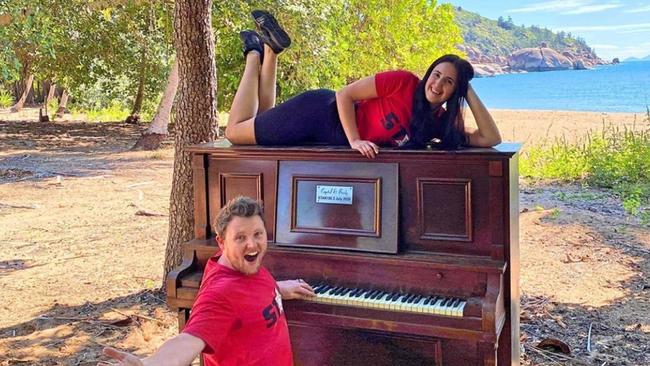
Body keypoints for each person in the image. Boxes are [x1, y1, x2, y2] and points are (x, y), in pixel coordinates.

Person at [225, 10, 502, 159]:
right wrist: (355, 140)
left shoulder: (438, 122)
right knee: (236, 132)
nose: (437, 83)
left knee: (260, 120)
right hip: (321, 113)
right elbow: (344, 94)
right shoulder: (404, 82)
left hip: (323, 135)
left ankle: (271, 51)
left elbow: (491, 139)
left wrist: (469, 89)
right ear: (429, 72)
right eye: (437, 74)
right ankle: (253, 54)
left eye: (449, 82)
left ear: (455, 92)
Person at [98, 196, 315, 366]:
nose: (252, 245)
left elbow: (250, 297)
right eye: (240, 238)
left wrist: (277, 289)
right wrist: (153, 363)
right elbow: (189, 339)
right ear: (221, 242)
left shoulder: (243, 264)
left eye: (258, 234)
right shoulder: (220, 294)